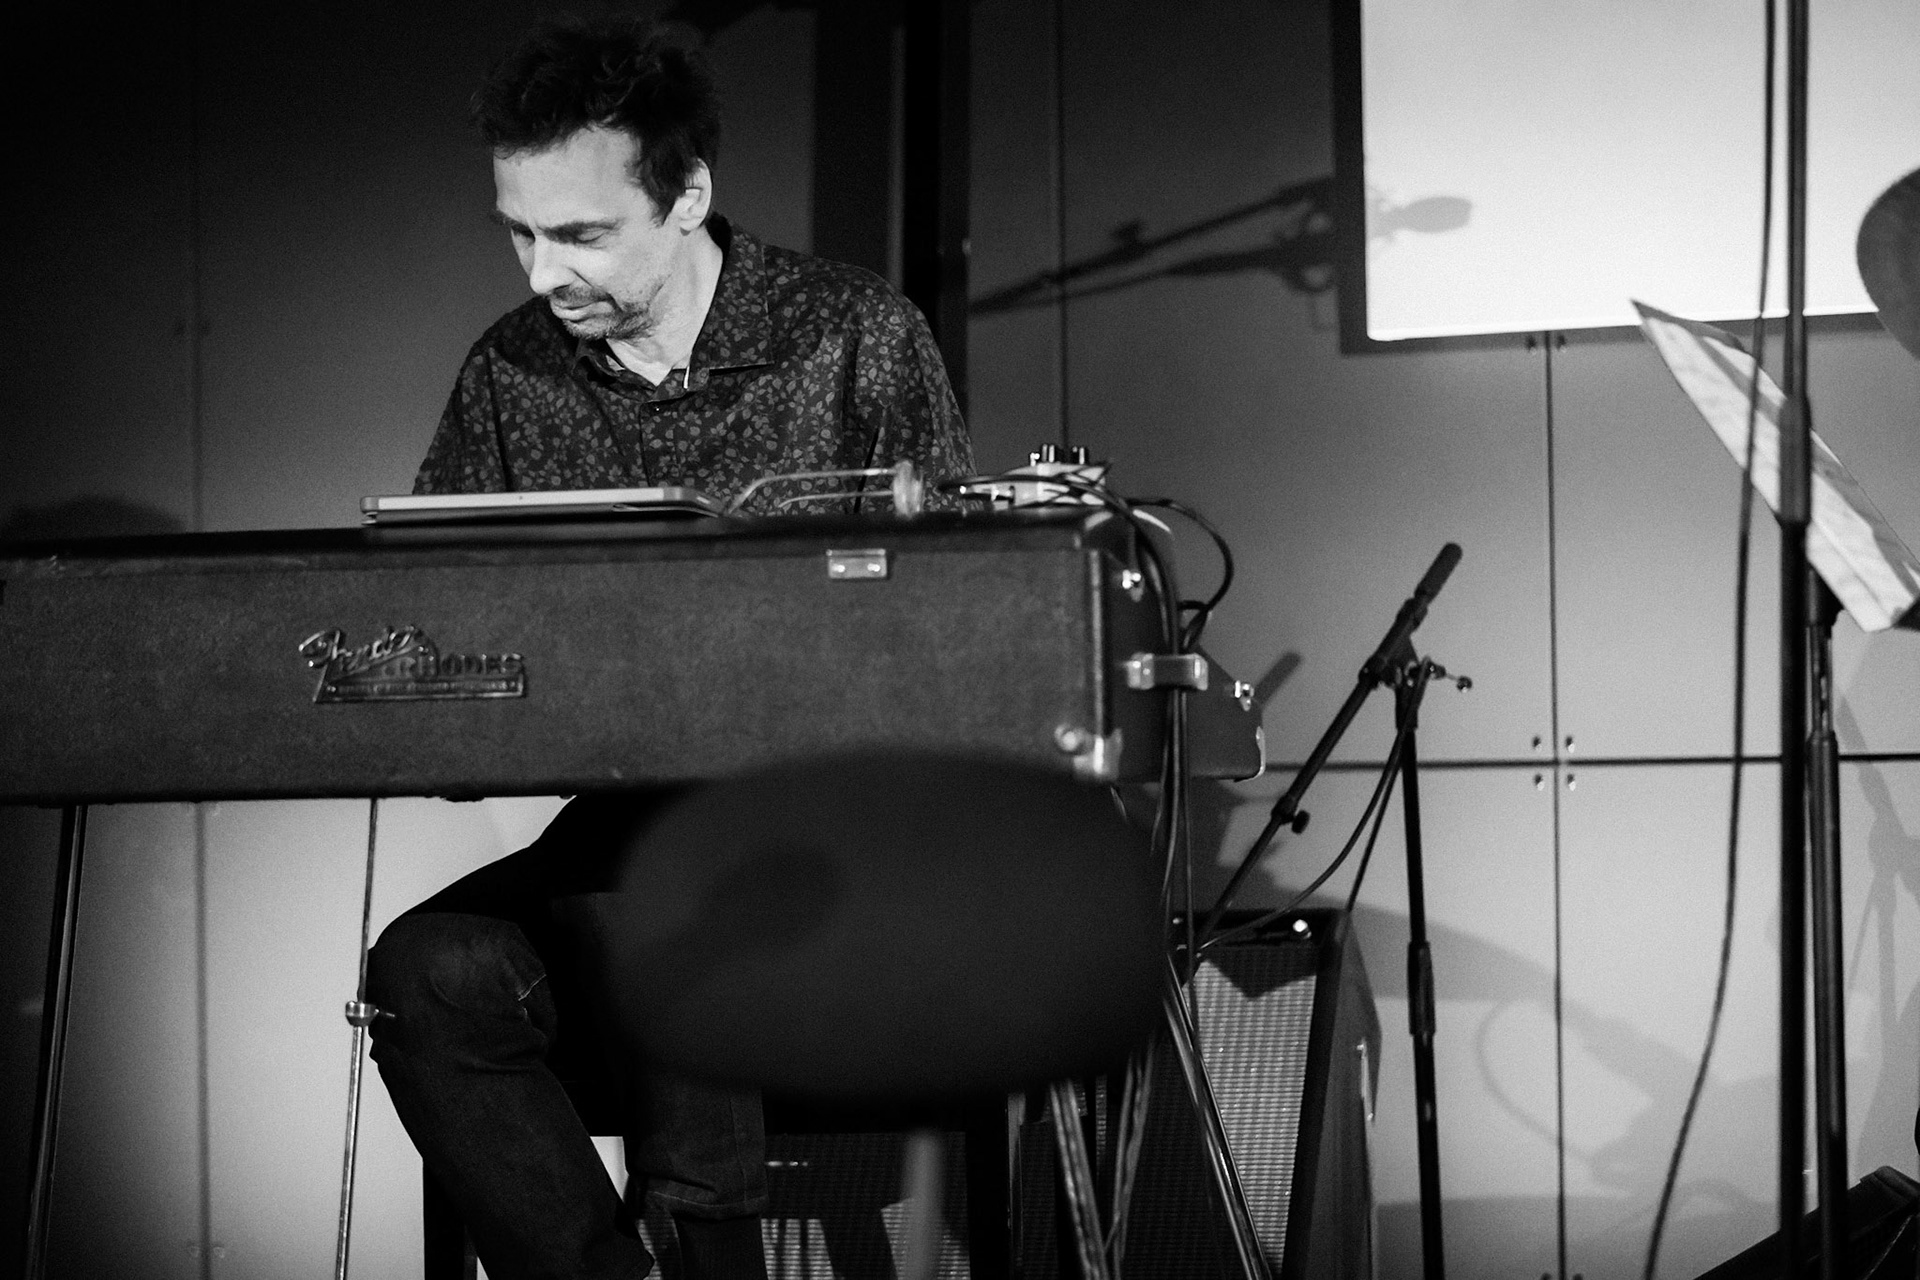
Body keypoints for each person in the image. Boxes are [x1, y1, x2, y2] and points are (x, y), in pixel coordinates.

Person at [364, 16, 973, 1280]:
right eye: (520, 233)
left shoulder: (854, 335)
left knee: (665, 856)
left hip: (839, 849)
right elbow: (443, 639)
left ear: (688, 196)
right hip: (622, 856)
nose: (540, 273)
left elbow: (959, 633)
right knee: (430, 971)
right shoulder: (512, 374)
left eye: (580, 233)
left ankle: (711, 1254)